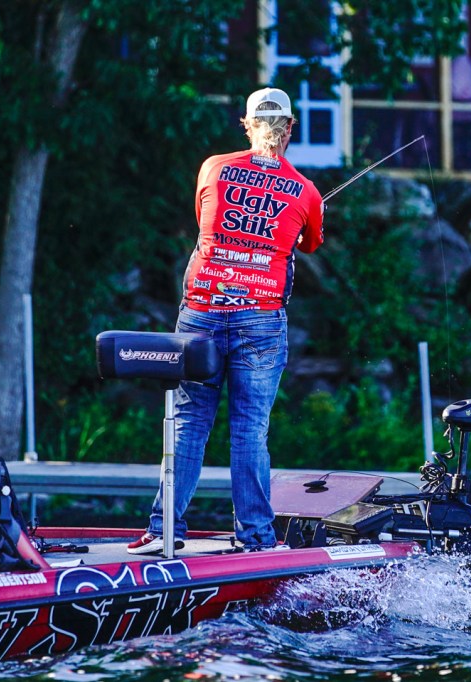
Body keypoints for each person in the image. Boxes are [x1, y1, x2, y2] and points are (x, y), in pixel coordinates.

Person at [128, 87, 325, 554]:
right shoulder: (306, 191)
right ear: (290, 129)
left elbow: (206, 219)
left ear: (247, 125)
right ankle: (256, 539)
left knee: (189, 422)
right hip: (261, 320)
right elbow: (310, 244)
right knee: (250, 429)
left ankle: (164, 530)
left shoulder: (213, 168)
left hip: (202, 313)